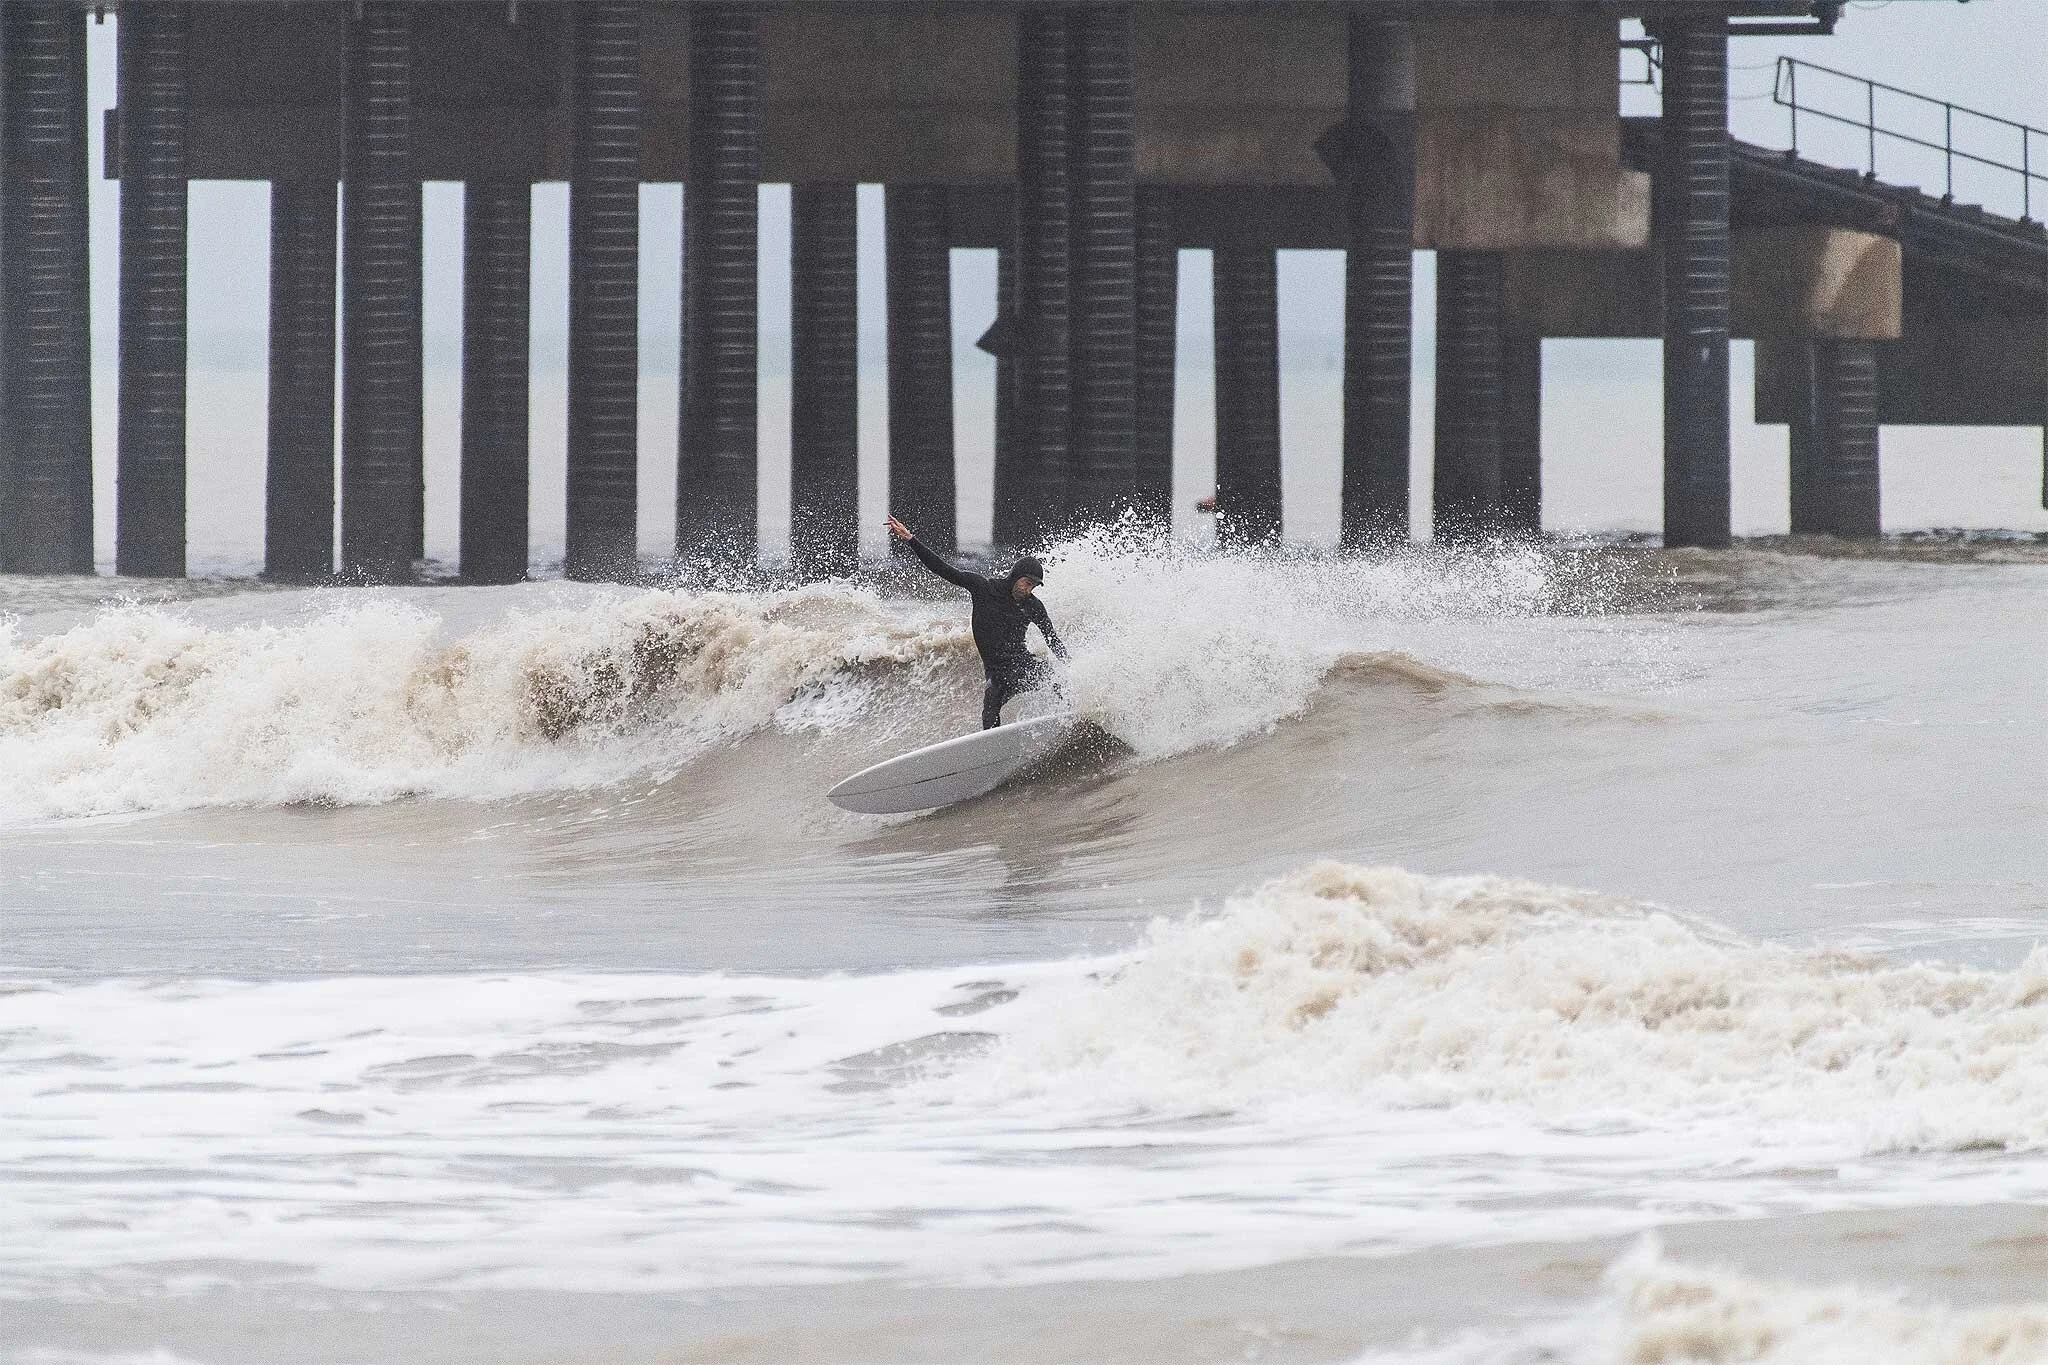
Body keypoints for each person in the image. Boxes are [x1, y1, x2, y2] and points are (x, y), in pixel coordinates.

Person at [886, 515, 1068, 729]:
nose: (1029, 590)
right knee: (990, 711)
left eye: (1033, 586)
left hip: (1022, 664)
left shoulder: (1033, 606)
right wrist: (910, 539)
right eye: (1027, 583)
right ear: (1016, 576)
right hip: (997, 673)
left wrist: (1073, 668)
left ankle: (1070, 719)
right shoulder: (983, 588)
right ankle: (994, 748)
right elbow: (942, 569)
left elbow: (1052, 639)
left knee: (1057, 678)